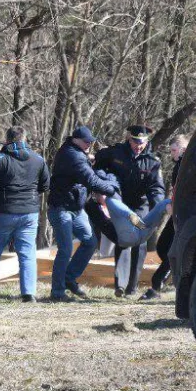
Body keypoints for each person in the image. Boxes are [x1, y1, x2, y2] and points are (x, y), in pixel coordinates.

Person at [0, 126, 50, 302]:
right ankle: (29, 293)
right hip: (29, 212)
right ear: (25, 139)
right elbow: (45, 185)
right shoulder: (38, 159)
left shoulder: (0, 159)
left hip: (3, 212)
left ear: (7, 140)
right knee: (28, 253)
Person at [48, 125, 119, 301]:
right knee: (65, 250)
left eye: (91, 142)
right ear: (75, 139)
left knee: (90, 242)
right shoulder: (72, 156)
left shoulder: (75, 152)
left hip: (76, 208)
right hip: (61, 208)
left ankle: (69, 278)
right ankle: (57, 292)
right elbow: (91, 180)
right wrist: (112, 189)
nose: (89, 144)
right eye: (86, 142)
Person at [94, 125, 166, 298]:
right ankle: (120, 284)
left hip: (140, 205)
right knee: (124, 238)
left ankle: (132, 287)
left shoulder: (152, 161)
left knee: (139, 239)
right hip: (121, 203)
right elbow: (98, 165)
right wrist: (104, 186)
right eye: (135, 141)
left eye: (141, 142)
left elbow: (156, 188)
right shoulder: (116, 153)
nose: (138, 146)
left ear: (146, 141)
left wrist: (157, 206)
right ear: (129, 138)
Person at [140, 134, 188, 300]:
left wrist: (175, 206)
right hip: (176, 211)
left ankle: (156, 286)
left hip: (183, 214)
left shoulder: (186, 165)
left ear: (183, 149)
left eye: (174, 150)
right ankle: (175, 275)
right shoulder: (180, 165)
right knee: (162, 247)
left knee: (169, 250)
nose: (172, 154)